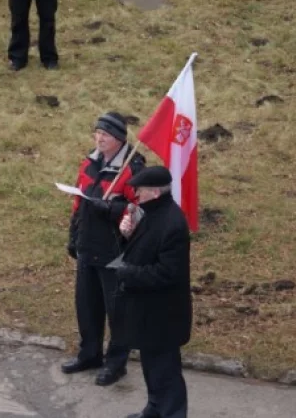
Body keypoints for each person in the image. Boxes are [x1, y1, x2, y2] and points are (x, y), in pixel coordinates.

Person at [63, 112, 145, 386]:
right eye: (97, 133)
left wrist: (111, 209)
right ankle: (90, 354)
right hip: (88, 247)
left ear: (120, 139)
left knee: (117, 311)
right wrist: (74, 234)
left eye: (106, 135)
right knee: (86, 306)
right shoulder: (89, 162)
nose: (99, 138)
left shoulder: (133, 169)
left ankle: (116, 363)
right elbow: (78, 200)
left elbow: (139, 212)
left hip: (115, 253)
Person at [114, 166, 193, 418]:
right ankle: (154, 409)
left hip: (164, 314)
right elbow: (139, 250)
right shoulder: (149, 214)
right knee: (152, 367)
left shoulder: (173, 223)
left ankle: (171, 413)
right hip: (148, 311)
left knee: (166, 371)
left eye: (141, 190)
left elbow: (168, 273)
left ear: (155, 192)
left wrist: (128, 273)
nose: (136, 194)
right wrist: (126, 236)